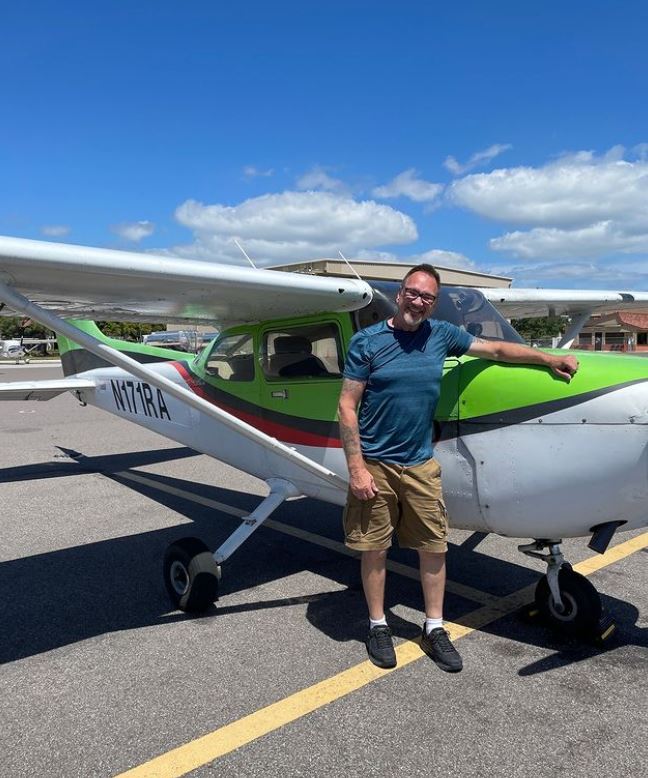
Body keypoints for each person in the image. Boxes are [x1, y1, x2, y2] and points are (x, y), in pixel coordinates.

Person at [337, 264, 579, 672]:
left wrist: (547, 358)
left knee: (433, 547)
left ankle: (434, 627)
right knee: (374, 548)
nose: (419, 301)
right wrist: (357, 469)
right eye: (413, 293)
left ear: (433, 303)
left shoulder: (441, 335)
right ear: (400, 294)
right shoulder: (368, 342)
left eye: (428, 297)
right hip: (376, 465)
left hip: (420, 465)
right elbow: (347, 405)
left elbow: (497, 350)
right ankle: (378, 624)